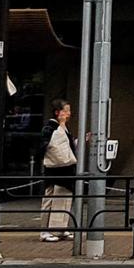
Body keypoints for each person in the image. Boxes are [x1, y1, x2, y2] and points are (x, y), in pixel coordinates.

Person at [39, 99, 77, 242]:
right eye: (65, 110)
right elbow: (52, 147)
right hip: (55, 170)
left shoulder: (62, 128)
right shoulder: (50, 128)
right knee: (52, 199)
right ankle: (47, 230)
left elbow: (67, 147)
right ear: (57, 112)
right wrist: (61, 125)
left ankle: (60, 228)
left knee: (64, 200)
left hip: (64, 170)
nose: (68, 113)